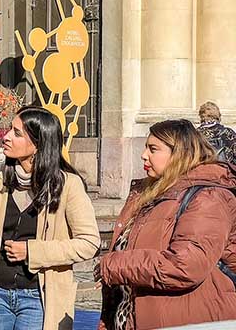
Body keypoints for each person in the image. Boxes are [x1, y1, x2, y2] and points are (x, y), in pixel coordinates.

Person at [0, 106, 101, 330]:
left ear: (38, 145)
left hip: (38, 297)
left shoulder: (67, 185)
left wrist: (32, 251)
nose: (6, 137)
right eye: (10, 130)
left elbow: (89, 242)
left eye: (17, 133)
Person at [96, 119, 236, 330]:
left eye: (153, 149)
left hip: (185, 319)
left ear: (180, 154)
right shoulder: (147, 194)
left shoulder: (209, 197)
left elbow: (186, 265)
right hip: (133, 318)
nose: (144, 155)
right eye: (145, 147)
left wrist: (114, 265)